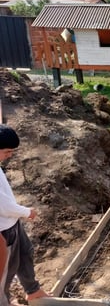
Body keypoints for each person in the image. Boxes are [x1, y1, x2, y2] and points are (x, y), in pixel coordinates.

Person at [0, 124, 50, 304]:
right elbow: (4, 206)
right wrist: (27, 212)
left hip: (12, 224)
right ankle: (3, 300)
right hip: (4, 231)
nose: (10, 155)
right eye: (7, 151)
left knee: (25, 253)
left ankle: (33, 290)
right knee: (7, 269)